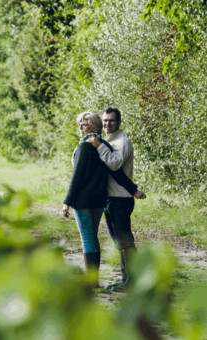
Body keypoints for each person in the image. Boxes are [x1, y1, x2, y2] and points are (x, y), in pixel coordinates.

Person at [62, 111, 145, 288]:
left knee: (89, 239)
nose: (80, 127)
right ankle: (119, 280)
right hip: (100, 201)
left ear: (92, 126)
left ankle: (94, 282)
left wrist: (67, 202)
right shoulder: (103, 145)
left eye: (83, 124)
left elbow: (77, 177)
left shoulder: (88, 146)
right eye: (79, 123)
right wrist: (133, 189)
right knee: (94, 238)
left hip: (85, 201)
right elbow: (115, 172)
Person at [88, 106, 145, 291]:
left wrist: (99, 147)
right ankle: (125, 278)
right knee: (118, 242)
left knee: (125, 241)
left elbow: (114, 164)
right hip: (110, 198)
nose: (107, 124)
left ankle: (133, 281)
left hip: (121, 199)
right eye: (105, 121)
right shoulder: (108, 140)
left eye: (111, 120)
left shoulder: (123, 142)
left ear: (119, 122)